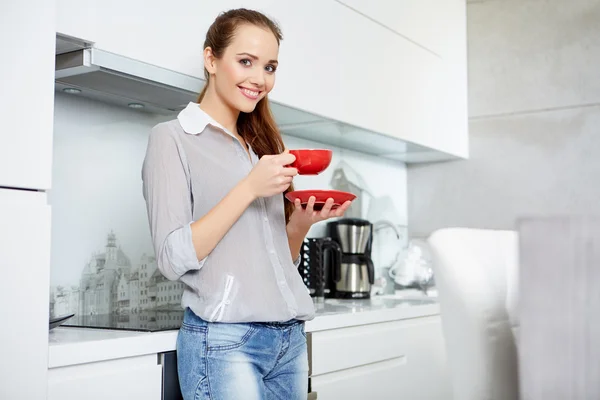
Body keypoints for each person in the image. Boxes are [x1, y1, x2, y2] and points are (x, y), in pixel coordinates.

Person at [141, 8, 352, 400]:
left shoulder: (262, 147)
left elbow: (273, 261)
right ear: (211, 60)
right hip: (225, 343)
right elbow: (171, 257)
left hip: (288, 339)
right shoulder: (172, 139)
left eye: (269, 66)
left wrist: (300, 225)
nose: (260, 78)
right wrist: (248, 188)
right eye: (246, 62)